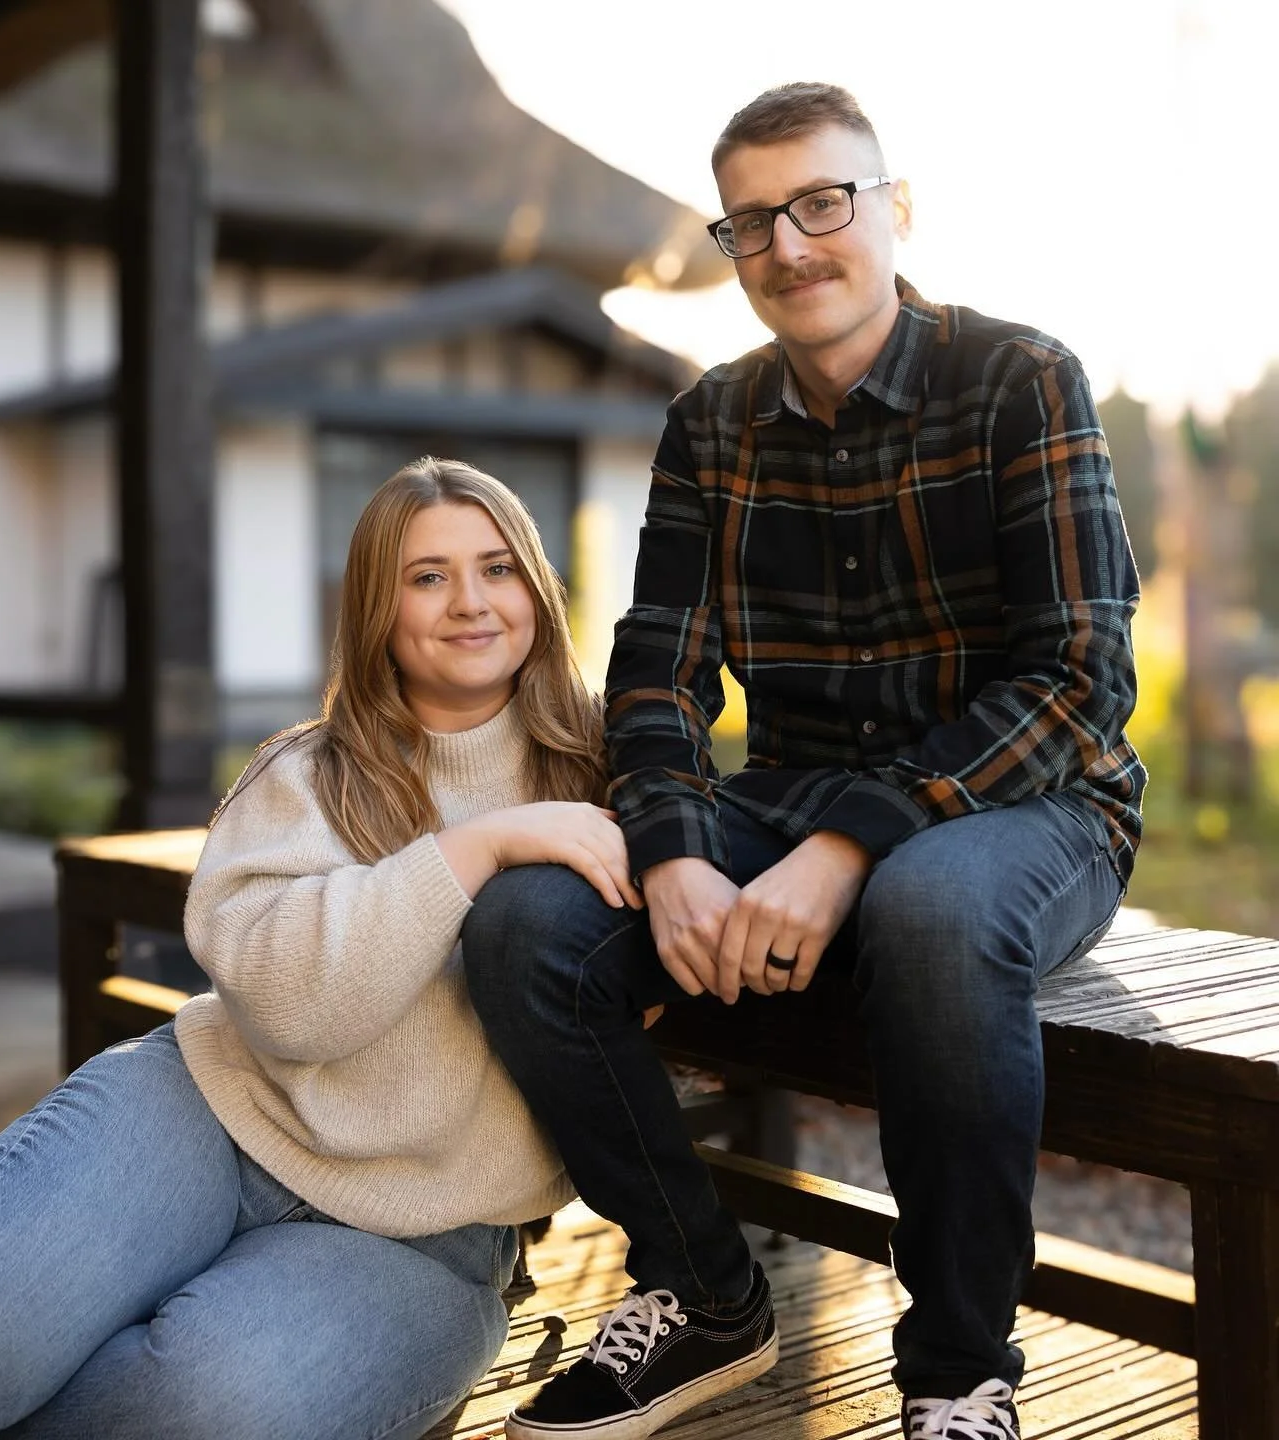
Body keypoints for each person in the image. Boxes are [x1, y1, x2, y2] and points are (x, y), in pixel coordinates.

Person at [462, 81, 1144, 1440]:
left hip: (1031, 807)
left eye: (823, 202)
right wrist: (665, 856)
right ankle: (706, 1292)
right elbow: (656, 670)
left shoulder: (1023, 378)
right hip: (782, 802)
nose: (789, 245)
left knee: (932, 908)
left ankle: (961, 1371)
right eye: (751, 221)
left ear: (894, 209)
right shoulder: (711, 422)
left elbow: (1080, 683)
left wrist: (849, 847)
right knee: (524, 926)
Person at [0, 456, 641, 1440]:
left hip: (434, 1237)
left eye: (498, 567)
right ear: (376, 607)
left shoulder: (617, 776)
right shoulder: (306, 774)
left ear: (536, 587)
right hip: (208, 1116)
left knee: (203, 1412)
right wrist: (476, 849)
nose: (470, 602)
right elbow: (290, 1012)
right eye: (427, 577)